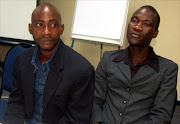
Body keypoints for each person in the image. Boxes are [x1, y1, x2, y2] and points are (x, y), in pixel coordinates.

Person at [2, 3, 95, 124]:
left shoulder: (82, 70)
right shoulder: (21, 60)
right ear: (30, 28)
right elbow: (17, 101)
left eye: (53, 25)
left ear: (61, 29)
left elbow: (76, 120)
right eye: (39, 24)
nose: (46, 32)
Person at [91, 5, 178, 124]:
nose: (137, 27)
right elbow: (96, 100)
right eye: (134, 20)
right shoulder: (108, 59)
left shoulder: (167, 69)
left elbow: (161, 116)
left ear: (155, 33)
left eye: (146, 24)